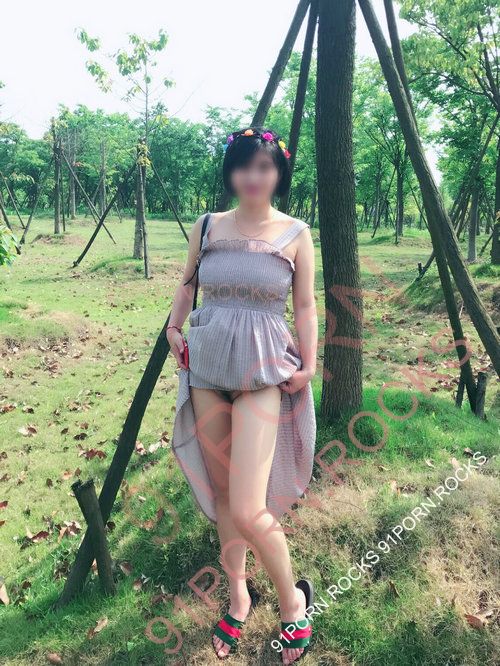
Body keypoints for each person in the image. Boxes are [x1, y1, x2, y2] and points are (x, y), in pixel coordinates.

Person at [167, 126, 318, 664]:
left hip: (262, 373)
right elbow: (188, 284)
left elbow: (305, 305)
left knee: (251, 508)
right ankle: (238, 596)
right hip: (207, 368)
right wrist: (173, 327)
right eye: (244, 166)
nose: (253, 176)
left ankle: (293, 603)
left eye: (264, 166)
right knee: (225, 497)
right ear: (231, 172)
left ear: (278, 173)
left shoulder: (296, 233)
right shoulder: (207, 226)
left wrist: (310, 362)